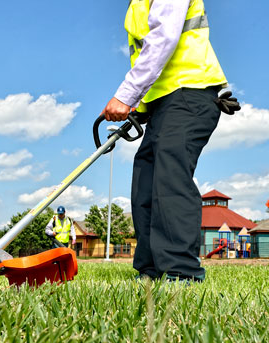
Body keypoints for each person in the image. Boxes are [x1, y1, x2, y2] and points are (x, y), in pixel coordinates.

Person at [101, 0, 239, 283]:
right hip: (164, 102)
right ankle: (150, 269)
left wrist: (126, 96)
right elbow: (149, 61)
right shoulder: (136, 5)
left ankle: (181, 271)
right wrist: (139, 107)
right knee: (145, 179)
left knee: (169, 175)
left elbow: (164, 38)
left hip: (191, 92)